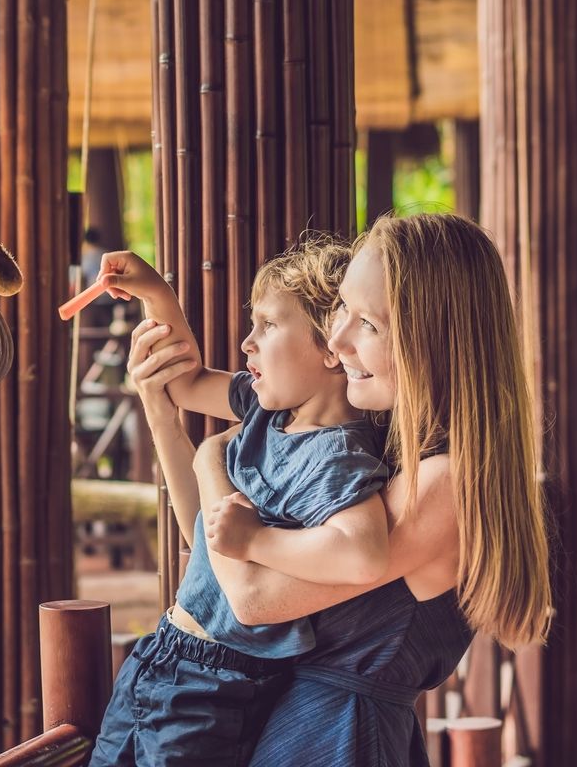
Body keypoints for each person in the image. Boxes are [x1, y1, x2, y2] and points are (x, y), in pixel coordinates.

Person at [131, 213, 552, 765]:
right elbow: (214, 553)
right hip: (299, 728)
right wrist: (162, 413)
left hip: (340, 740)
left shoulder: (444, 483)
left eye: (368, 324)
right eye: (343, 313)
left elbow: (252, 597)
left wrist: (214, 456)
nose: (336, 339)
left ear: (434, 338)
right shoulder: (385, 444)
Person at [88, 237, 393, 766]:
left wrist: (255, 539)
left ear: (329, 347)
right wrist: (157, 295)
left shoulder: (335, 455)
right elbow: (183, 383)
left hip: (215, 686)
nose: (247, 343)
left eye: (269, 325)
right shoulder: (265, 410)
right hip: (163, 653)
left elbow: (363, 550)